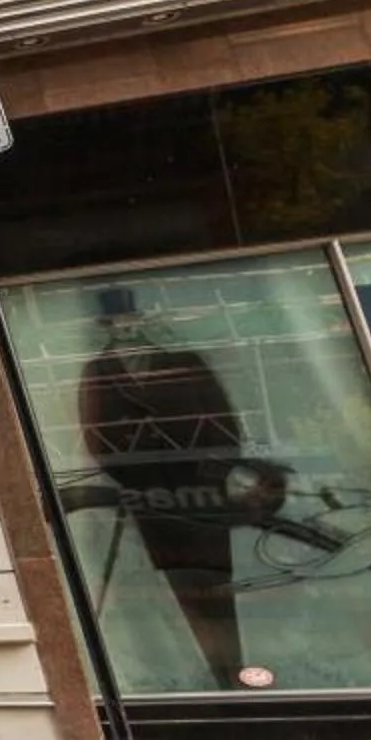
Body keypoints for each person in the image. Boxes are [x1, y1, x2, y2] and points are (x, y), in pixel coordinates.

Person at [73, 285, 280, 688]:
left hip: (201, 488)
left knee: (216, 575)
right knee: (174, 581)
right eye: (115, 322)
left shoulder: (183, 362)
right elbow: (97, 437)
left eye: (129, 320)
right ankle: (208, 673)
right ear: (106, 327)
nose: (124, 328)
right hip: (152, 495)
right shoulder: (98, 371)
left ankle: (235, 669)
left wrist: (214, 470)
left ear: (140, 321)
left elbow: (222, 419)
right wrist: (137, 479)